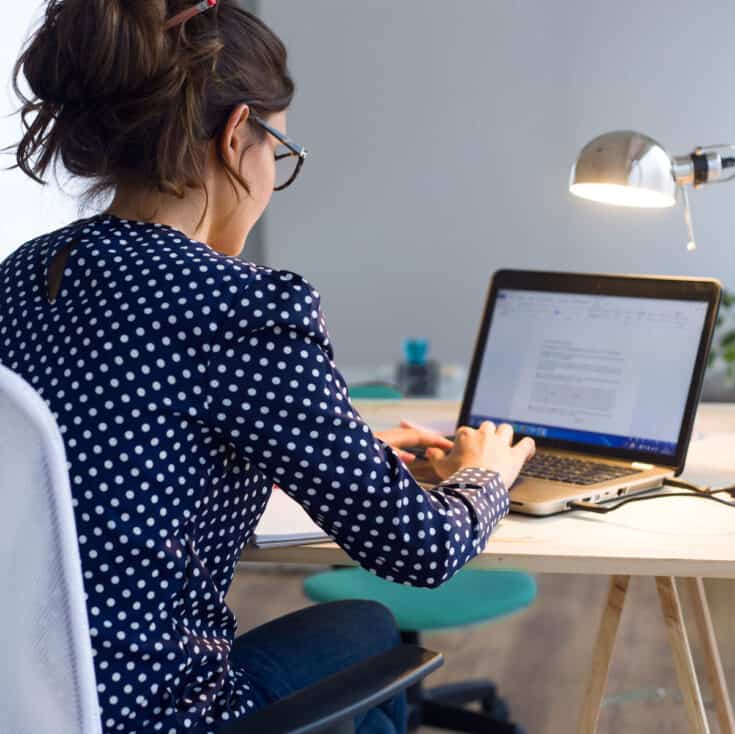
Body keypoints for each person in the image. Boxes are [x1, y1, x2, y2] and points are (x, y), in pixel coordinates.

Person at [0, 2, 535, 733]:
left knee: (355, 634)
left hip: (33, 702)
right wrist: (486, 473)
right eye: (275, 151)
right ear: (233, 137)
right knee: (367, 629)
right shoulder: (240, 304)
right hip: (164, 717)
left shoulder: (25, 275)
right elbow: (420, 549)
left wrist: (346, 458)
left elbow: (114, 453)